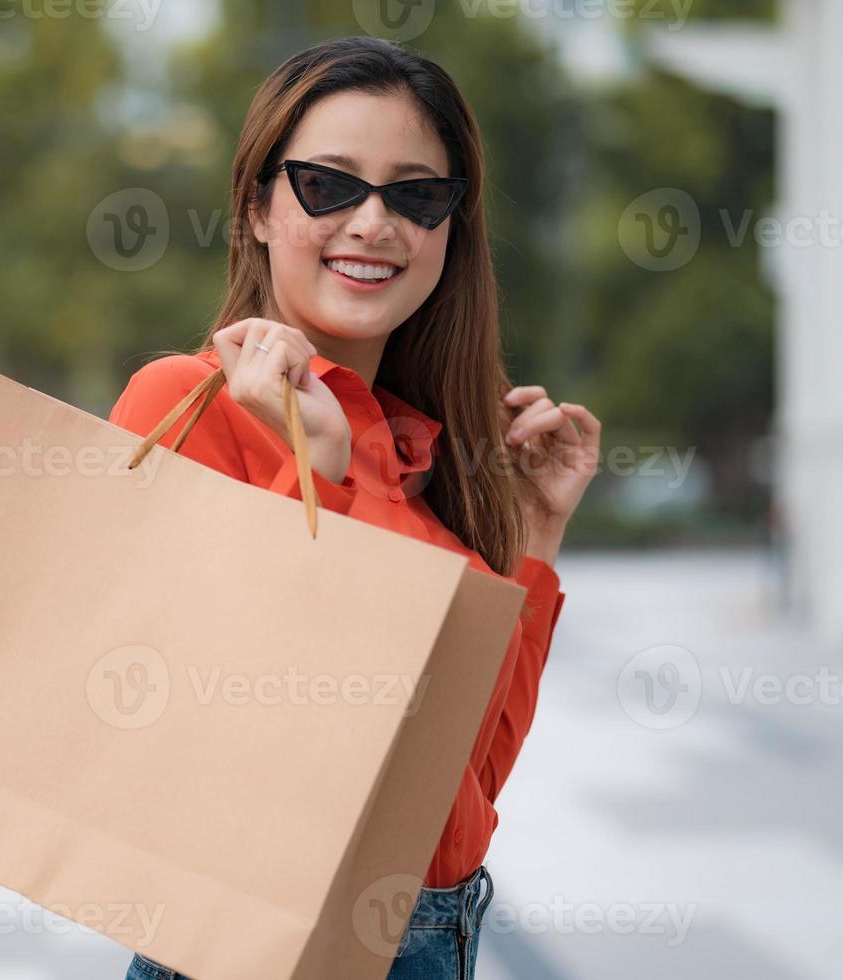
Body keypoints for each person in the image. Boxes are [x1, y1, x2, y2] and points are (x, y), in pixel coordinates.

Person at [108, 36, 600, 980]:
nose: (375, 222)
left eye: (417, 194)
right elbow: (207, 730)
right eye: (329, 185)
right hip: (256, 942)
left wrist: (536, 538)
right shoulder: (187, 400)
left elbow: (468, 784)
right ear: (257, 207)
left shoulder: (424, 451)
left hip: (436, 936)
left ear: (452, 226)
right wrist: (315, 480)